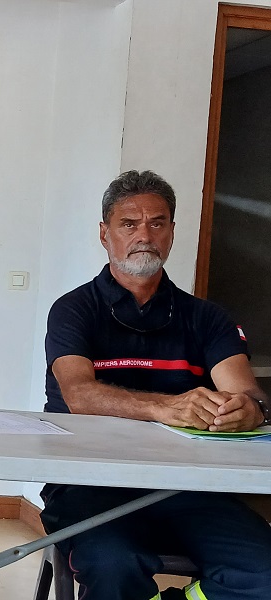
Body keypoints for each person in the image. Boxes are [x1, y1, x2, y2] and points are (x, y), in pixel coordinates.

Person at [41, 170, 271, 600]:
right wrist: (164, 408)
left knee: (265, 573)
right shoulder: (73, 310)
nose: (144, 234)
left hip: (192, 487)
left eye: (157, 223)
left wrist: (249, 410)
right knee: (114, 565)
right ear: (104, 233)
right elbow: (79, 394)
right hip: (91, 485)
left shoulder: (207, 318)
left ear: (171, 233)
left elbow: (248, 393)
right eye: (129, 224)